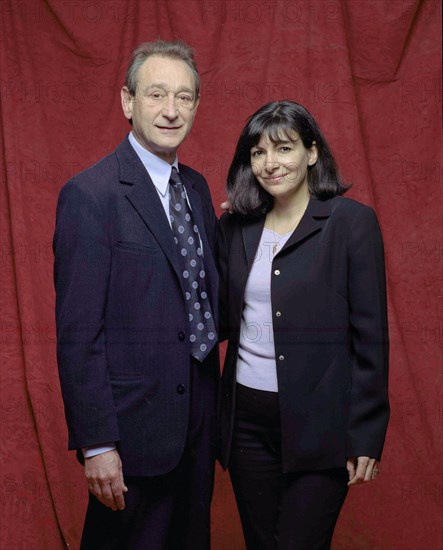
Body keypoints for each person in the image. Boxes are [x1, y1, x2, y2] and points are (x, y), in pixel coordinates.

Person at [53, 40, 219, 550]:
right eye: (157, 94)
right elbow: (79, 333)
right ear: (128, 102)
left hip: (197, 425)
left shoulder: (197, 189)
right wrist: (98, 443)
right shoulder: (91, 195)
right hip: (130, 433)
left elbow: (200, 294)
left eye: (185, 97)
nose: (172, 110)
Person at [217, 100, 389, 550]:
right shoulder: (235, 227)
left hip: (320, 425)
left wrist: (367, 433)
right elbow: (215, 314)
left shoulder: (351, 224)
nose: (270, 163)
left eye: (284, 148)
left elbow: (370, 338)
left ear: (312, 153)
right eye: (257, 153)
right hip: (246, 426)